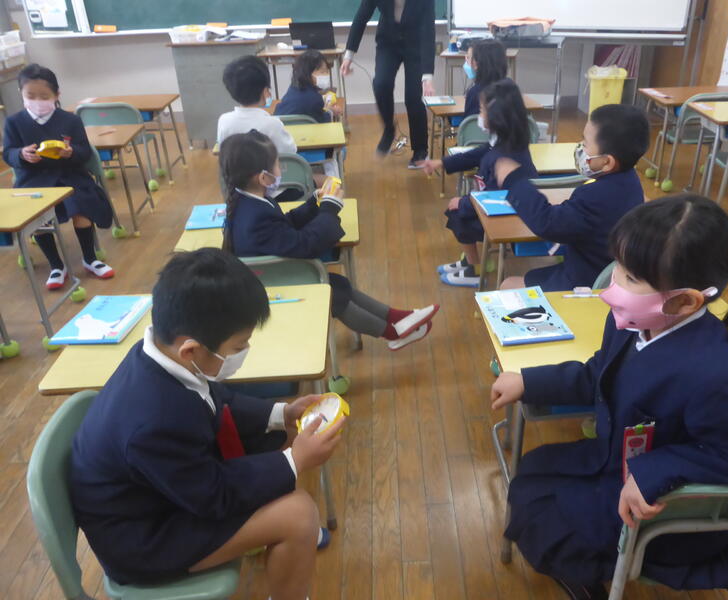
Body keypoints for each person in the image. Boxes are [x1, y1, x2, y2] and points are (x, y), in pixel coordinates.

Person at [490, 195, 728, 600]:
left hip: (663, 501)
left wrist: (655, 472)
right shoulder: (633, 321)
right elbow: (598, 372)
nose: (613, 284)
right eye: (617, 265)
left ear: (685, 300)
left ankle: (585, 575)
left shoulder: (714, 372)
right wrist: (529, 381)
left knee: (547, 519)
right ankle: (581, 566)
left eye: (631, 277)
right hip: (615, 463)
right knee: (533, 476)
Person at [70, 248, 344, 598]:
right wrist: (295, 461)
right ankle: (287, 541)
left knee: (281, 439)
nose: (243, 353)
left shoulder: (162, 355)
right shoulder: (152, 422)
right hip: (144, 539)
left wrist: (282, 414)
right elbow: (212, 495)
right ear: (191, 350)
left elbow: (218, 400)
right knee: (299, 514)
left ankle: (276, 530)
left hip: (165, 492)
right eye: (238, 347)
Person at [220, 130, 439, 351]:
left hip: (278, 274)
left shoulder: (249, 201)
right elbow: (305, 244)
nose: (280, 170)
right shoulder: (256, 214)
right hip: (273, 284)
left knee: (338, 284)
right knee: (333, 293)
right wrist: (329, 208)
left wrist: (314, 203)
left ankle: (397, 317)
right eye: (277, 165)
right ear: (263, 177)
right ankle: (392, 332)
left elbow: (284, 226)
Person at [496, 103, 649, 292]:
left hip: (584, 283)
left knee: (508, 285)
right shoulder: (631, 181)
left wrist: (515, 182)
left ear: (607, 162)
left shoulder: (592, 197)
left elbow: (547, 223)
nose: (580, 148)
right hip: (606, 271)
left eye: (585, 144)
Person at [3, 63, 114, 289]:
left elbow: (84, 151)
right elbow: (8, 153)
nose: (37, 101)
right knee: (37, 216)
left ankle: (90, 257)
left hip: (70, 176)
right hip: (34, 180)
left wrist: (71, 152)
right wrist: (22, 154)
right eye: (30, 96)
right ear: (21, 94)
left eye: (44, 96)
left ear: (56, 95)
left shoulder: (70, 120)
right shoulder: (14, 122)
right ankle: (56, 265)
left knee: (82, 207)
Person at [418, 79, 537, 287]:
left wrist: (464, 202)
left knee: (457, 214)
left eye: (482, 111)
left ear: (497, 115)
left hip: (508, 215)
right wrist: (442, 162)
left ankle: (475, 269)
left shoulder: (505, 155)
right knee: (458, 208)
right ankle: (470, 261)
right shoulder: (504, 141)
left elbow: (494, 197)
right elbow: (476, 154)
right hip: (502, 206)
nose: (479, 116)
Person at [341, 0, 435, 166]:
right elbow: (361, 17)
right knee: (381, 84)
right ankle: (389, 129)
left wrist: (427, 76)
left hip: (415, 44)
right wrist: (349, 56)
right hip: (388, 43)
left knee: (413, 98)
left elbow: (428, 30)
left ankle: (420, 150)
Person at [217, 55, 296, 154]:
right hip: (269, 164)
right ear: (265, 91)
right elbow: (290, 151)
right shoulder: (273, 124)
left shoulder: (224, 121)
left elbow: (223, 150)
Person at [274, 49, 342, 123]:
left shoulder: (293, 88)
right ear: (308, 73)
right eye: (322, 72)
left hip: (280, 124)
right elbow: (321, 121)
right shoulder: (315, 99)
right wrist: (331, 112)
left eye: (327, 71)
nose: (326, 75)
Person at [461, 39, 508, 119]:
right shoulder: (512, 87)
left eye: (468, 58)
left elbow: (469, 124)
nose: (466, 61)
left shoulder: (475, 93)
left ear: (476, 63)